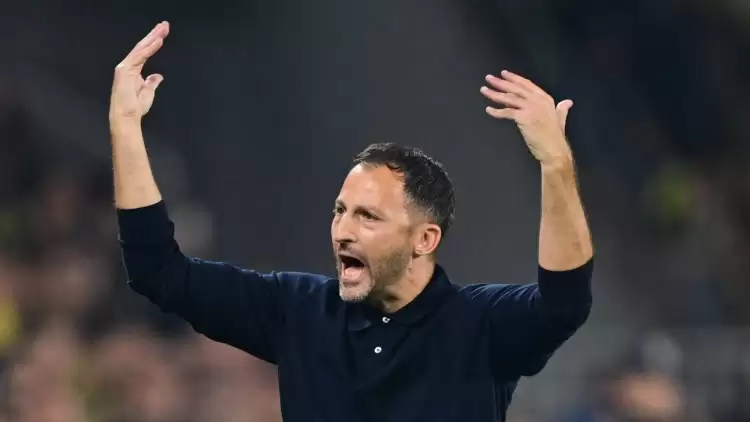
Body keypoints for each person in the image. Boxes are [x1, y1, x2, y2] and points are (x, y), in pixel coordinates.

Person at [110, 22, 594, 422]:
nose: (343, 231)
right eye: (340, 211)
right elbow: (159, 273)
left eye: (368, 216)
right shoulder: (298, 311)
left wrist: (556, 165)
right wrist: (126, 129)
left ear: (425, 239)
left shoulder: (480, 325)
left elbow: (565, 303)